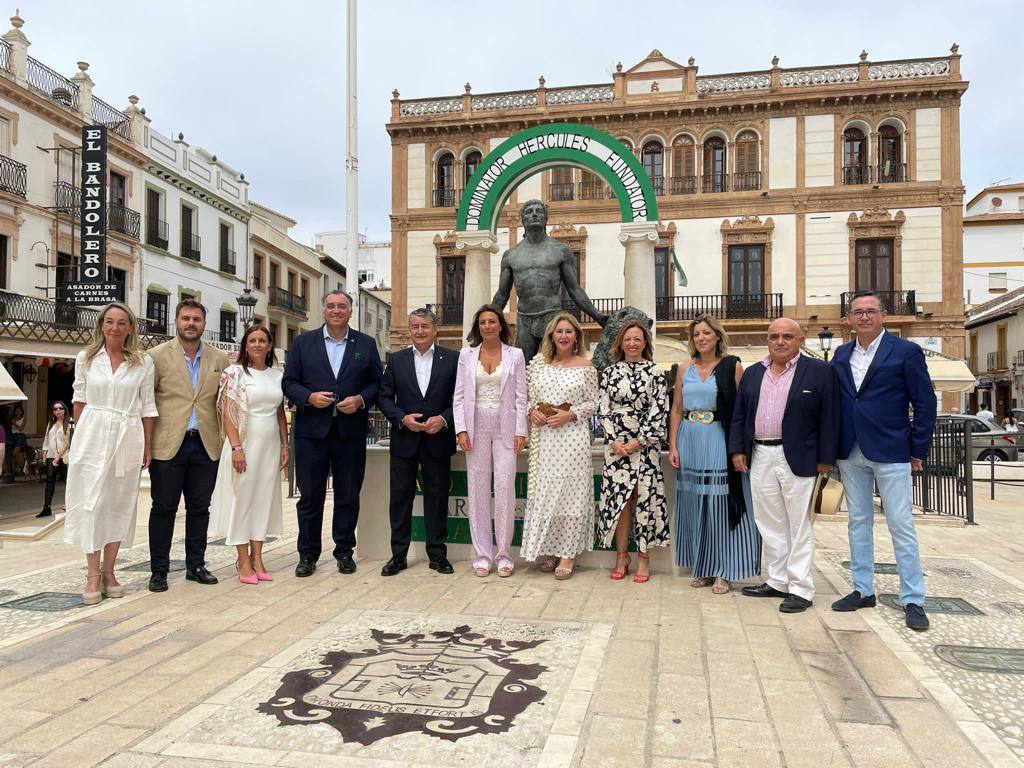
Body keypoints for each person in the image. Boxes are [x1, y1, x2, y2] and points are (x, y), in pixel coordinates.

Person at [830, 290, 936, 631]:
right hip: (851, 450)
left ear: (883, 316)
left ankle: (913, 598)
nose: (863, 317)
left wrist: (917, 449)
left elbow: (925, 403)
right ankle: (863, 589)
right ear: (849, 318)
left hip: (891, 450)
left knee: (900, 524)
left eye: (870, 311)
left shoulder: (906, 352)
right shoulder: (841, 354)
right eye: (857, 312)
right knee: (857, 522)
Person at [728, 318, 839, 613]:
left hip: (800, 457)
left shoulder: (820, 372)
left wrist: (825, 460)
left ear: (800, 339)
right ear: (767, 340)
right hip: (760, 454)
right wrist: (737, 449)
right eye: (774, 336)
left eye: (787, 336)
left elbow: (829, 417)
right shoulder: (753, 374)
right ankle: (777, 580)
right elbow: (740, 414)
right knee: (769, 522)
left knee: (799, 524)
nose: (780, 341)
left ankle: (801, 588)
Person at [283, 290, 382, 577]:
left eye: (342, 306)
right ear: (323, 310)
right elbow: (289, 383)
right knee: (310, 496)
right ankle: (308, 554)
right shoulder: (303, 343)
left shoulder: (365, 343)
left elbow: (377, 383)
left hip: (349, 434)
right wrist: (308, 397)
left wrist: (361, 400)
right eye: (330, 306)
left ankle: (344, 552)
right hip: (311, 434)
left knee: (348, 495)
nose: (336, 310)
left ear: (351, 311)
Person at [63, 302, 157, 604]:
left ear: (130, 327)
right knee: (90, 501)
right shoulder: (86, 358)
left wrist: (148, 445)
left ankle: (110, 571)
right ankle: (92, 572)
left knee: (119, 501)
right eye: (109, 322)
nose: (115, 328)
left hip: (127, 434)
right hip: (92, 432)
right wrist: (75, 440)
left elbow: (147, 408)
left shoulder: (143, 362)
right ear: (101, 325)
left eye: (121, 322)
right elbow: (79, 400)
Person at [668, 315, 760, 595]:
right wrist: (673, 445)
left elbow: (742, 411)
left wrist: (738, 448)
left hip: (719, 437)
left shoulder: (733, 366)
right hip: (689, 438)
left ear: (717, 336)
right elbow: (676, 409)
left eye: (706, 333)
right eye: (696, 334)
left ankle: (725, 569)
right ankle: (704, 566)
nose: (701, 338)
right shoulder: (685, 368)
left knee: (721, 504)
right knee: (695, 504)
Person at [147, 300, 229, 593]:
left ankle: (196, 565)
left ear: (204, 324)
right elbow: (146, 403)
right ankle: (159, 570)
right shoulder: (155, 357)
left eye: (196, 319)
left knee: (200, 508)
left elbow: (226, 403)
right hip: (168, 444)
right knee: (163, 508)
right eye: (185, 318)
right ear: (176, 321)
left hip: (205, 444)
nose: (190, 323)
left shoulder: (220, 359)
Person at [377, 308, 459, 576]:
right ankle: (398, 556)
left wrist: (444, 420)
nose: (420, 331)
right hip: (405, 440)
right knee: (400, 499)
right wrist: (402, 418)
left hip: (438, 440)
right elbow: (385, 398)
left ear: (435, 329)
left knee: (436, 498)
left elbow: (461, 399)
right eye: (415, 326)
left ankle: (437, 555)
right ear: (409, 330)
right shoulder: (397, 360)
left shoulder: (452, 359)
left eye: (425, 326)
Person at [520, 312, 599, 580]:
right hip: (545, 440)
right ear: (551, 336)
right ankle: (552, 550)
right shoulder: (539, 365)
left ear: (577, 336)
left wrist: (571, 413)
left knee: (571, 495)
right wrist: (532, 411)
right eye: (559, 331)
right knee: (548, 493)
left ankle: (567, 555)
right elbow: (528, 398)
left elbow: (593, 403)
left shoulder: (586, 367)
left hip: (572, 438)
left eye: (569, 331)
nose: (564, 336)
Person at [209, 325, 288, 584]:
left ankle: (258, 557)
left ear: (269, 346)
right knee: (242, 499)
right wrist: (236, 448)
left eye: (262, 340)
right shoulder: (235, 374)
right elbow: (228, 412)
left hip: (270, 444)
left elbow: (279, 414)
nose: (256, 344)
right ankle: (242, 559)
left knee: (263, 499)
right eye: (252, 340)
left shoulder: (278, 376)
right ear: (245, 345)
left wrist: (285, 445)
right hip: (244, 443)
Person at [453, 304, 528, 578]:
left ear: (501, 325)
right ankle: (482, 555)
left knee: (506, 488)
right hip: (476, 427)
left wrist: (522, 431)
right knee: (478, 489)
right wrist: (461, 429)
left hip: (506, 427)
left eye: (492, 321)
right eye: (483, 322)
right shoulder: (466, 355)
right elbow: (459, 396)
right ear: (478, 326)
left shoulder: (515, 355)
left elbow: (521, 397)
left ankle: (505, 555)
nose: (487, 326)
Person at [491, 199, 608, 363]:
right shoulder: (511, 255)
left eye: (538, 211)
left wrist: (598, 316)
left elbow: (574, 290)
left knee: (558, 366)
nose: (534, 215)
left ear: (546, 219)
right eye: (529, 212)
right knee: (521, 368)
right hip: (525, 318)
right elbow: (501, 295)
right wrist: (483, 324)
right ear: (523, 220)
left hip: (553, 317)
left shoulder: (560, 251)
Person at [597, 321, 669, 584]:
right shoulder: (610, 372)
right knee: (620, 503)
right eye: (628, 339)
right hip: (616, 449)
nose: (632, 344)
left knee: (644, 500)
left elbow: (659, 409)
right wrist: (613, 440)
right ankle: (621, 555)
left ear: (645, 343)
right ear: (620, 343)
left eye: (637, 339)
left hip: (645, 447)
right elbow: (602, 408)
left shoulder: (655, 372)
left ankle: (643, 557)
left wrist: (640, 440)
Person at [37, 400, 72, 518]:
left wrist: (59, 455)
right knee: (49, 481)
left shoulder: (70, 422)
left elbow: (68, 441)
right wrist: (44, 452)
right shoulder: (51, 423)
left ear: (64, 409)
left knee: (69, 481)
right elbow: (47, 438)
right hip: (52, 456)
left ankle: (68, 505)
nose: (58, 411)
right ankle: (46, 507)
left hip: (65, 456)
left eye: (60, 408)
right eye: (55, 409)